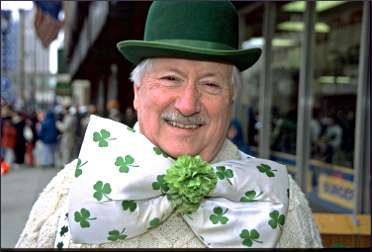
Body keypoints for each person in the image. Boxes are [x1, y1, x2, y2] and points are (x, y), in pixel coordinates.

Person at [16, 1, 322, 248]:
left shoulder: (278, 198)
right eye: (170, 78)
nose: (187, 104)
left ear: (232, 100)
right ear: (137, 92)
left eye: (211, 84)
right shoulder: (68, 190)